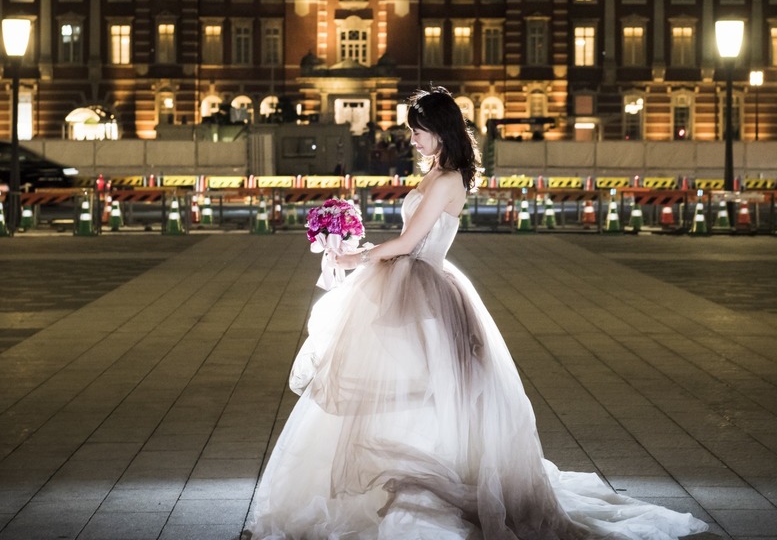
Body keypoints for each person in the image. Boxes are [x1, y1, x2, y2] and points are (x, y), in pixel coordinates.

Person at [248, 87, 711, 540]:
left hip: (422, 288)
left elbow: (411, 245)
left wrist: (356, 258)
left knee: (420, 385)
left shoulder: (447, 180)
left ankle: (425, 480)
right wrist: (363, 246)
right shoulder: (436, 173)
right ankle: (398, 479)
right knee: (402, 383)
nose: (412, 139)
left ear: (441, 131)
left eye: (419, 131)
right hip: (409, 281)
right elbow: (409, 238)